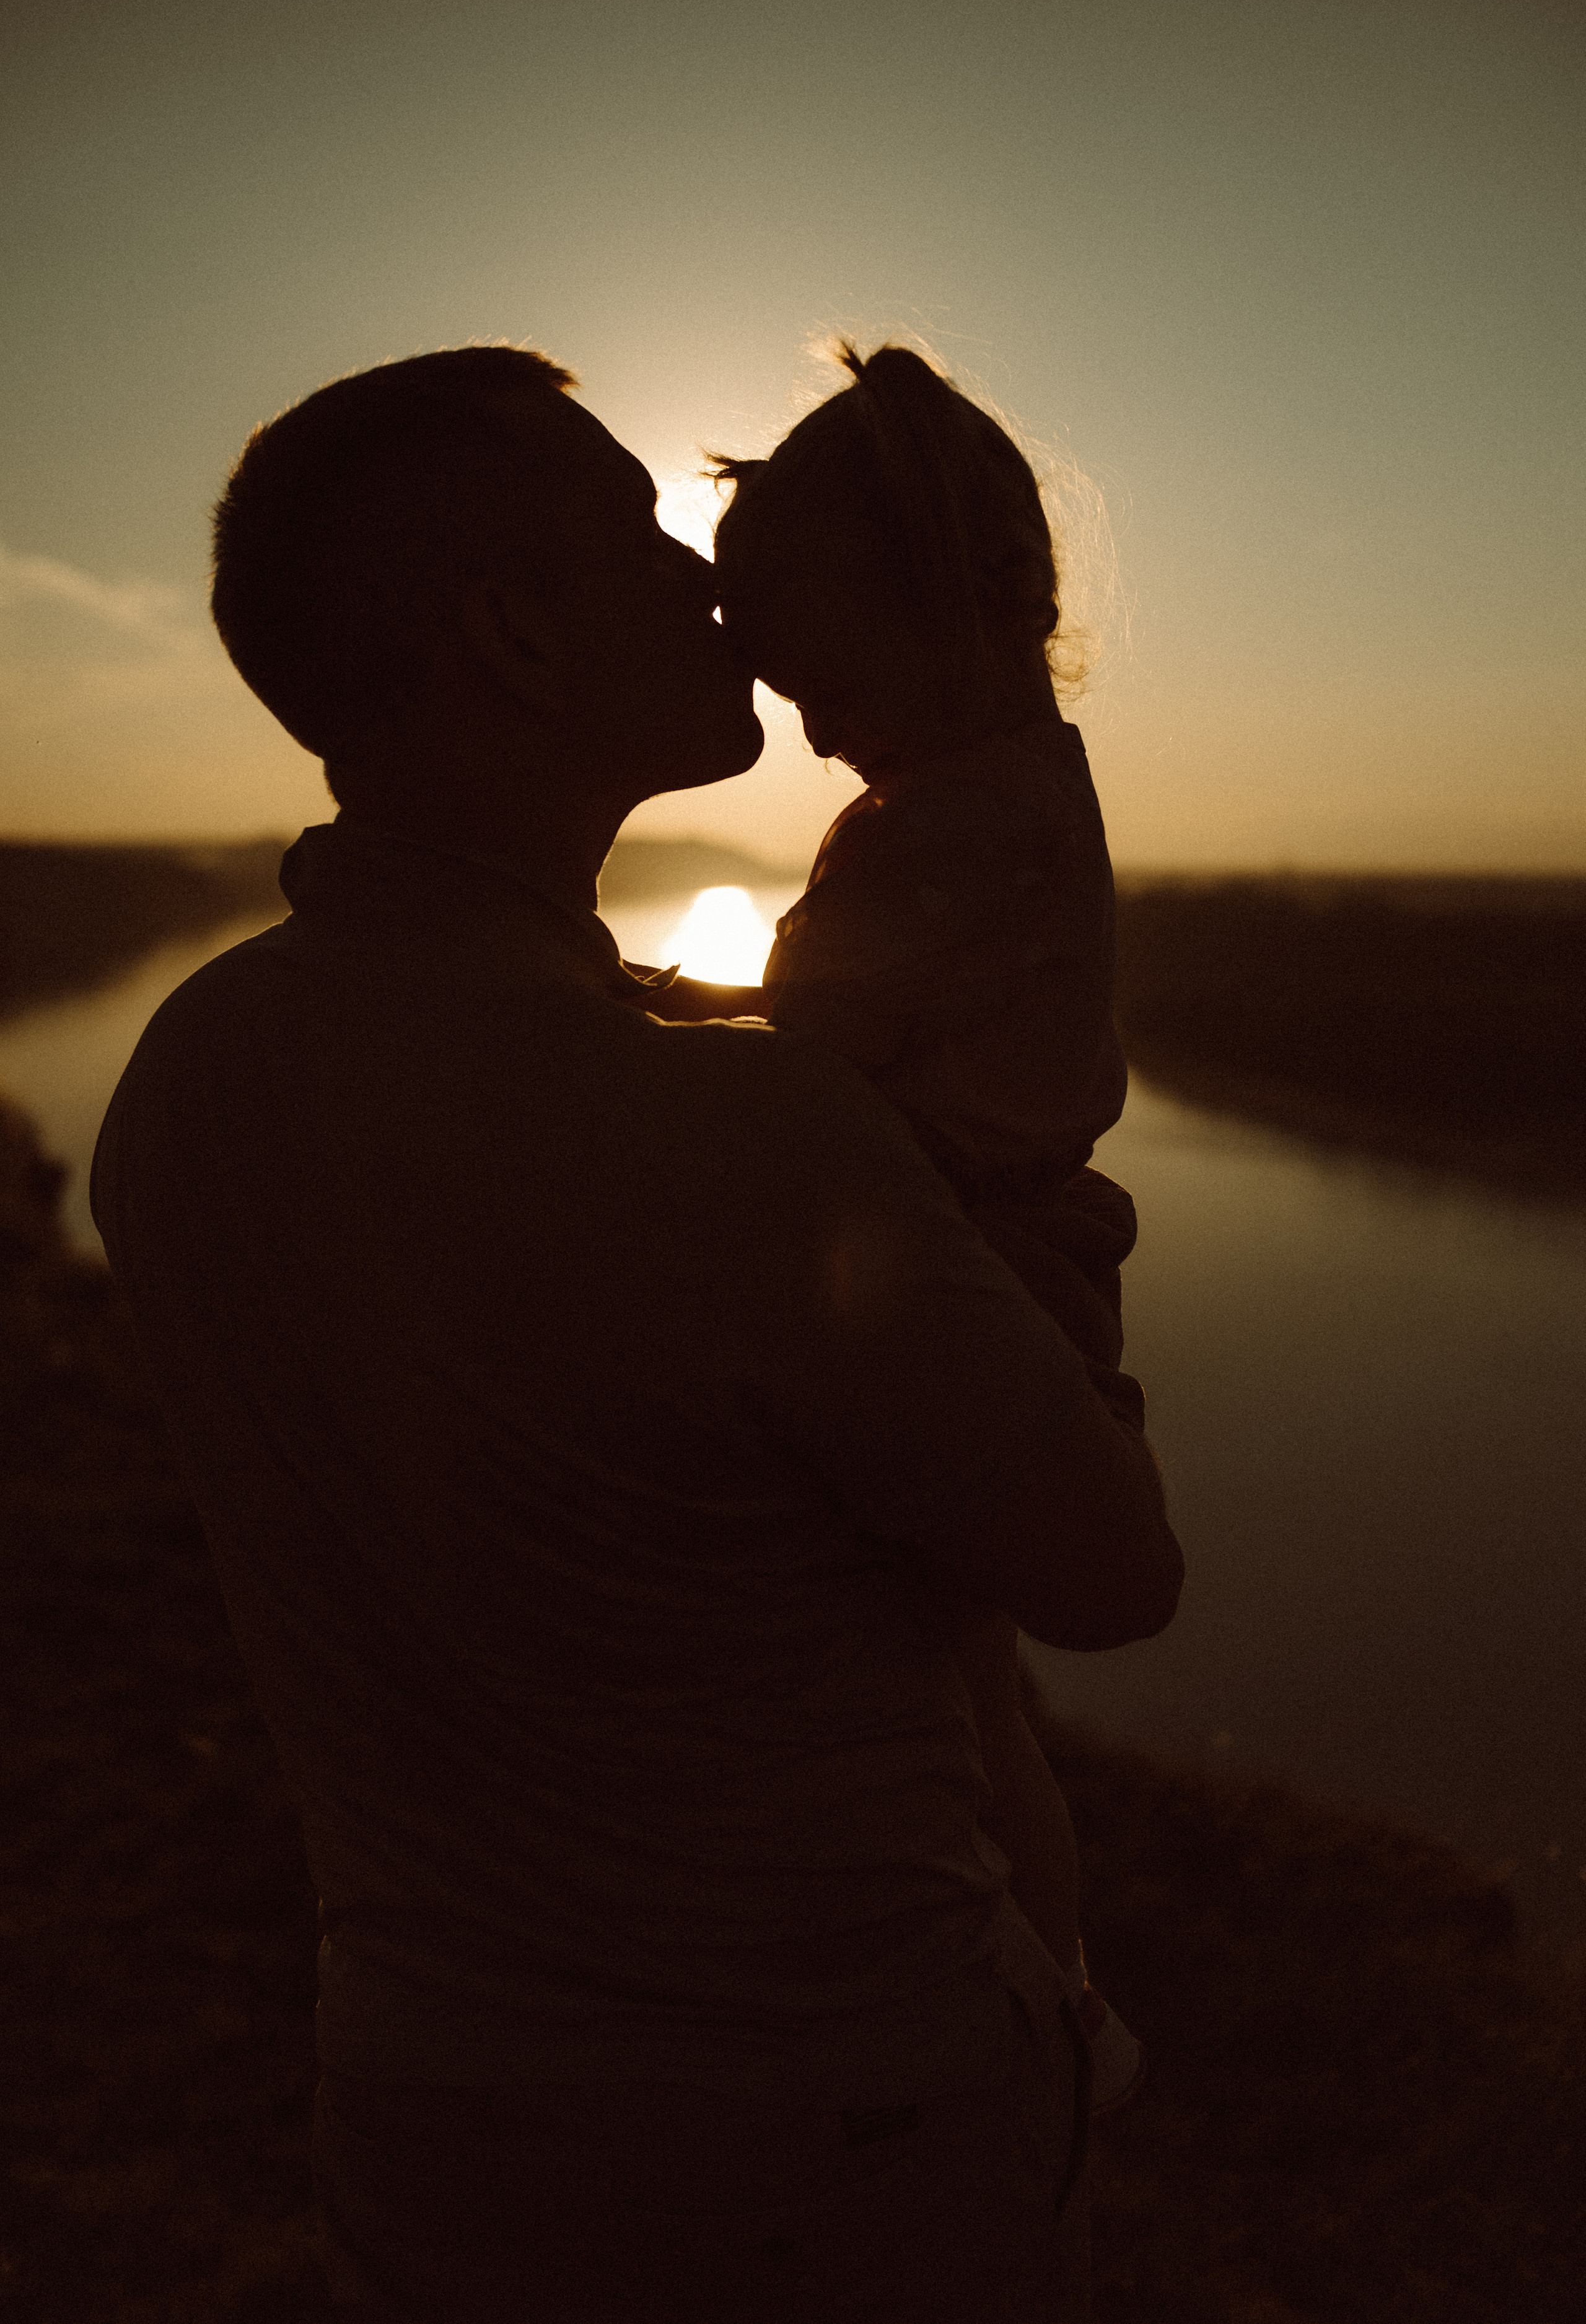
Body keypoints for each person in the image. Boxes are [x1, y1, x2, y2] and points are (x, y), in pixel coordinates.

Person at [91, 344, 1183, 2322]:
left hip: (424, 2130)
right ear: (509, 634)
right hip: (840, 2155)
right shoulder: (753, 1141)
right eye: (635, 532)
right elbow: (1113, 1566)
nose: (705, 583)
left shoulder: (183, 1082)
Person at [694, 342, 1145, 2111]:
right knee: (968, 1695)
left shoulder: (941, 835)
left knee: (945, 1693)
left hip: (980, 1267)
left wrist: (628, 1018)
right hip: (1012, 1247)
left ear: (963, 601)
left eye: (821, 674)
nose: (805, 727)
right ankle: (1052, 1993)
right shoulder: (1028, 783)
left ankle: (1040, 2007)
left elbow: (807, 1067)